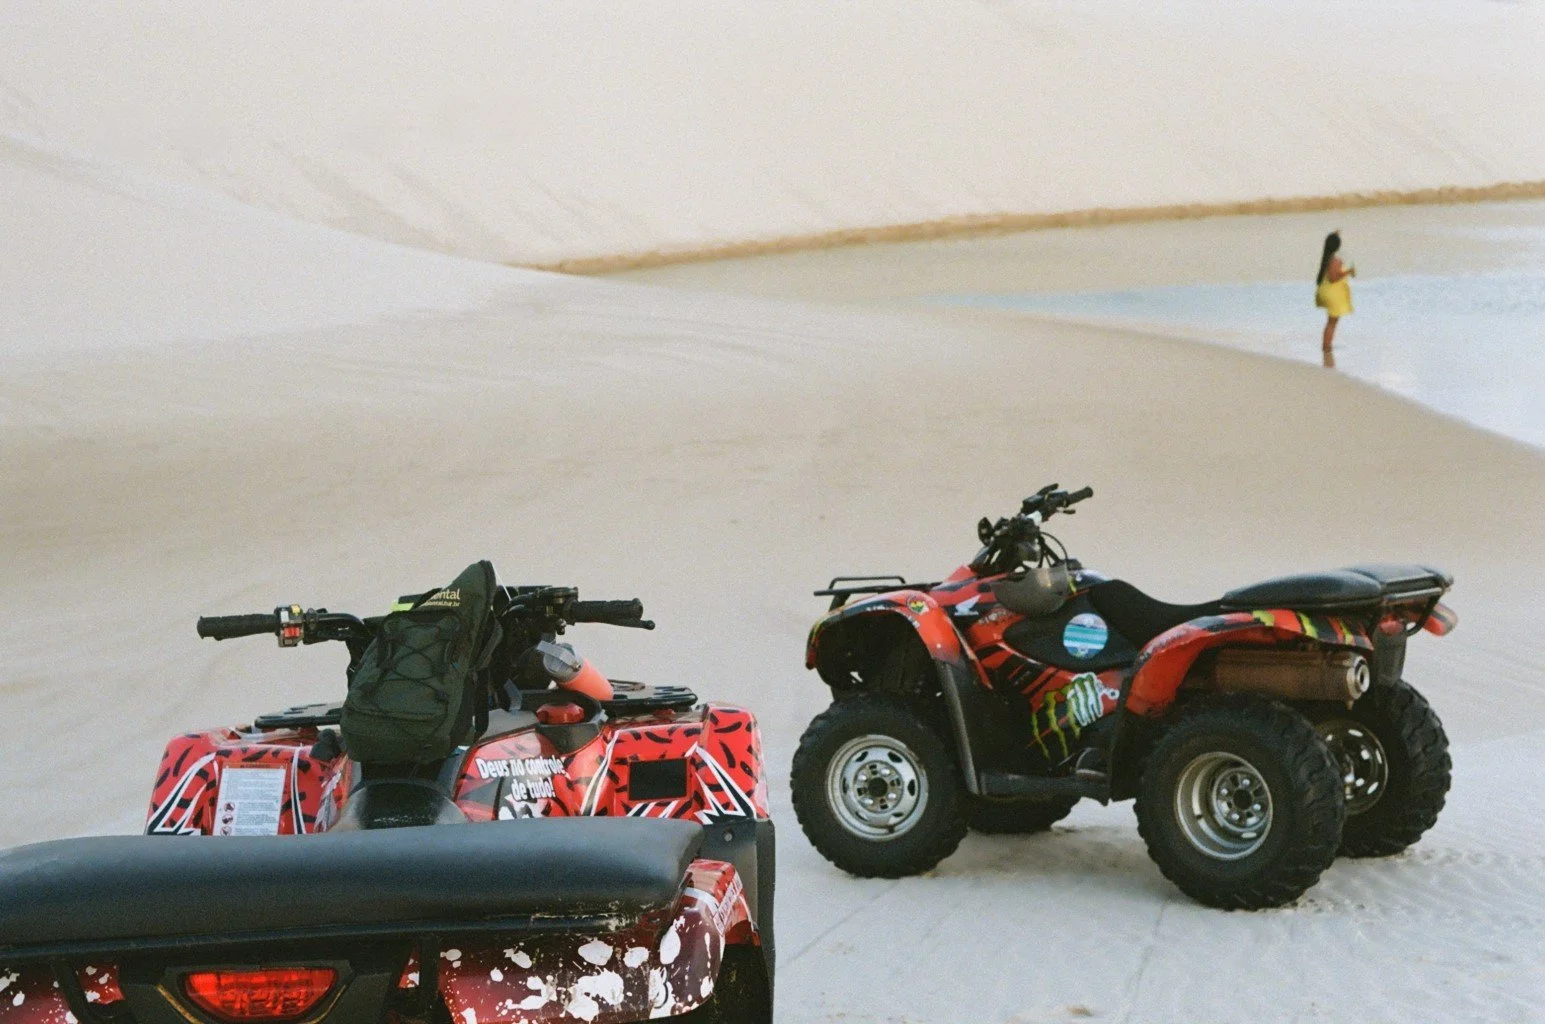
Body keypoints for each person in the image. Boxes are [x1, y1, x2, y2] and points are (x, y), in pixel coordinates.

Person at [1315, 230, 1355, 357]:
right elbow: (1333, 277)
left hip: (1326, 292)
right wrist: (1348, 271)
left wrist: (1335, 234)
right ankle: (1326, 347)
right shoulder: (1335, 260)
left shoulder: (1327, 258)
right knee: (1332, 323)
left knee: (1330, 322)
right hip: (1333, 295)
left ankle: (1326, 346)